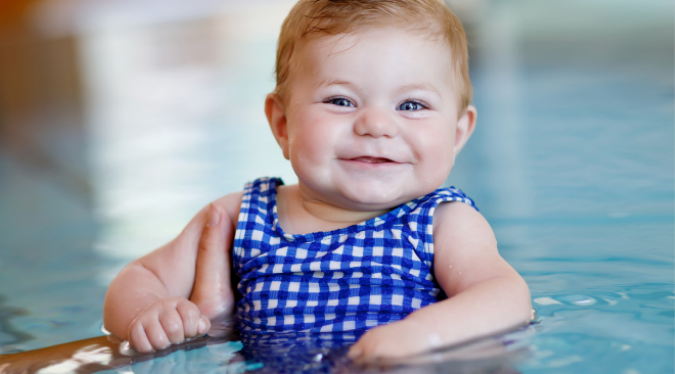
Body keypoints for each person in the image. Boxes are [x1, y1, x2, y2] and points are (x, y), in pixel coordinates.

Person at [103, 0, 532, 362]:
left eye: (412, 104)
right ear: (283, 124)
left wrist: (424, 335)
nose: (377, 124)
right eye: (341, 100)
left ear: (457, 135)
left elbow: (506, 296)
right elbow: (138, 277)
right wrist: (150, 313)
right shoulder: (239, 217)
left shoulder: (442, 222)